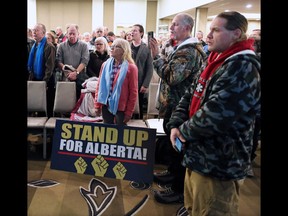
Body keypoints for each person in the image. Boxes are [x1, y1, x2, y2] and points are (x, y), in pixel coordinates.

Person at [166, 11, 261, 215]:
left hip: (219, 165)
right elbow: (191, 94)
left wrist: (182, 131)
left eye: (215, 30)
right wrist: (176, 124)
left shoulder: (243, 65)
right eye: (210, 30)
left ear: (236, 33)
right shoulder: (216, 59)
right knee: (195, 209)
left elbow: (217, 114)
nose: (208, 36)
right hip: (199, 156)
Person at [149, 13, 206, 204]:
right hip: (173, 106)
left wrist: (157, 56)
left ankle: (178, 190)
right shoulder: (181, 48)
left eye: (174, 25)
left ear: (187, 27)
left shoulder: (189, 51)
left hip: (181, 108)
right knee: (173, 148)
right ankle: (172, 174)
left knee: (179, 148)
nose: (171, 28)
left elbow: (172, 76)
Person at [94, 38, 138, 125]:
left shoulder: (131, 68)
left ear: (123, 50)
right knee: (107, 132)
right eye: (112, 46)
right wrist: (97, 105)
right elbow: (99, 86)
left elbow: (133, 92)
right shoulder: (105, 65)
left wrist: (129, 112)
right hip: (105, 104)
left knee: (120, 134)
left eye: (116, 46)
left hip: (121, 107)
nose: (112, 48)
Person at [27, 23, 56, 118]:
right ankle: (39, 130)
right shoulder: (34, 45)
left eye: (37, 30)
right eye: (33, 30)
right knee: (38, 104)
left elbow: (50, 67)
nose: (34, 32)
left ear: (43, 33)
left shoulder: (49, 46)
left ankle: (48, 131)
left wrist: (45, 82)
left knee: (47, 104)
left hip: (46, 80)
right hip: (36, 79)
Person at [56, 24, 90, 100]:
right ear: (66, 34)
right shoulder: (61, 46)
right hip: (66, 77)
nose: (72, 36)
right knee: (66, 100)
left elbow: (85, 61)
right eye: (70, 34)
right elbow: (58, 60)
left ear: (78, 34)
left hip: (80, 77)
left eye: (74, 34)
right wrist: (66, 70)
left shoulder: (84, 46)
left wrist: (76, 73)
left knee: (78, 99)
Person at [130, 24, 154, 119]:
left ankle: (138, 121)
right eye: (131, 30)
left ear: (141, 33)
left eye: (135, 30)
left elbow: (149, 67)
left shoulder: (146, 48)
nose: (132, 32)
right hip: (127, 80)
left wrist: (145, 84)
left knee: (139, 104)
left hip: (140, 81)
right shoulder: (127, 46)